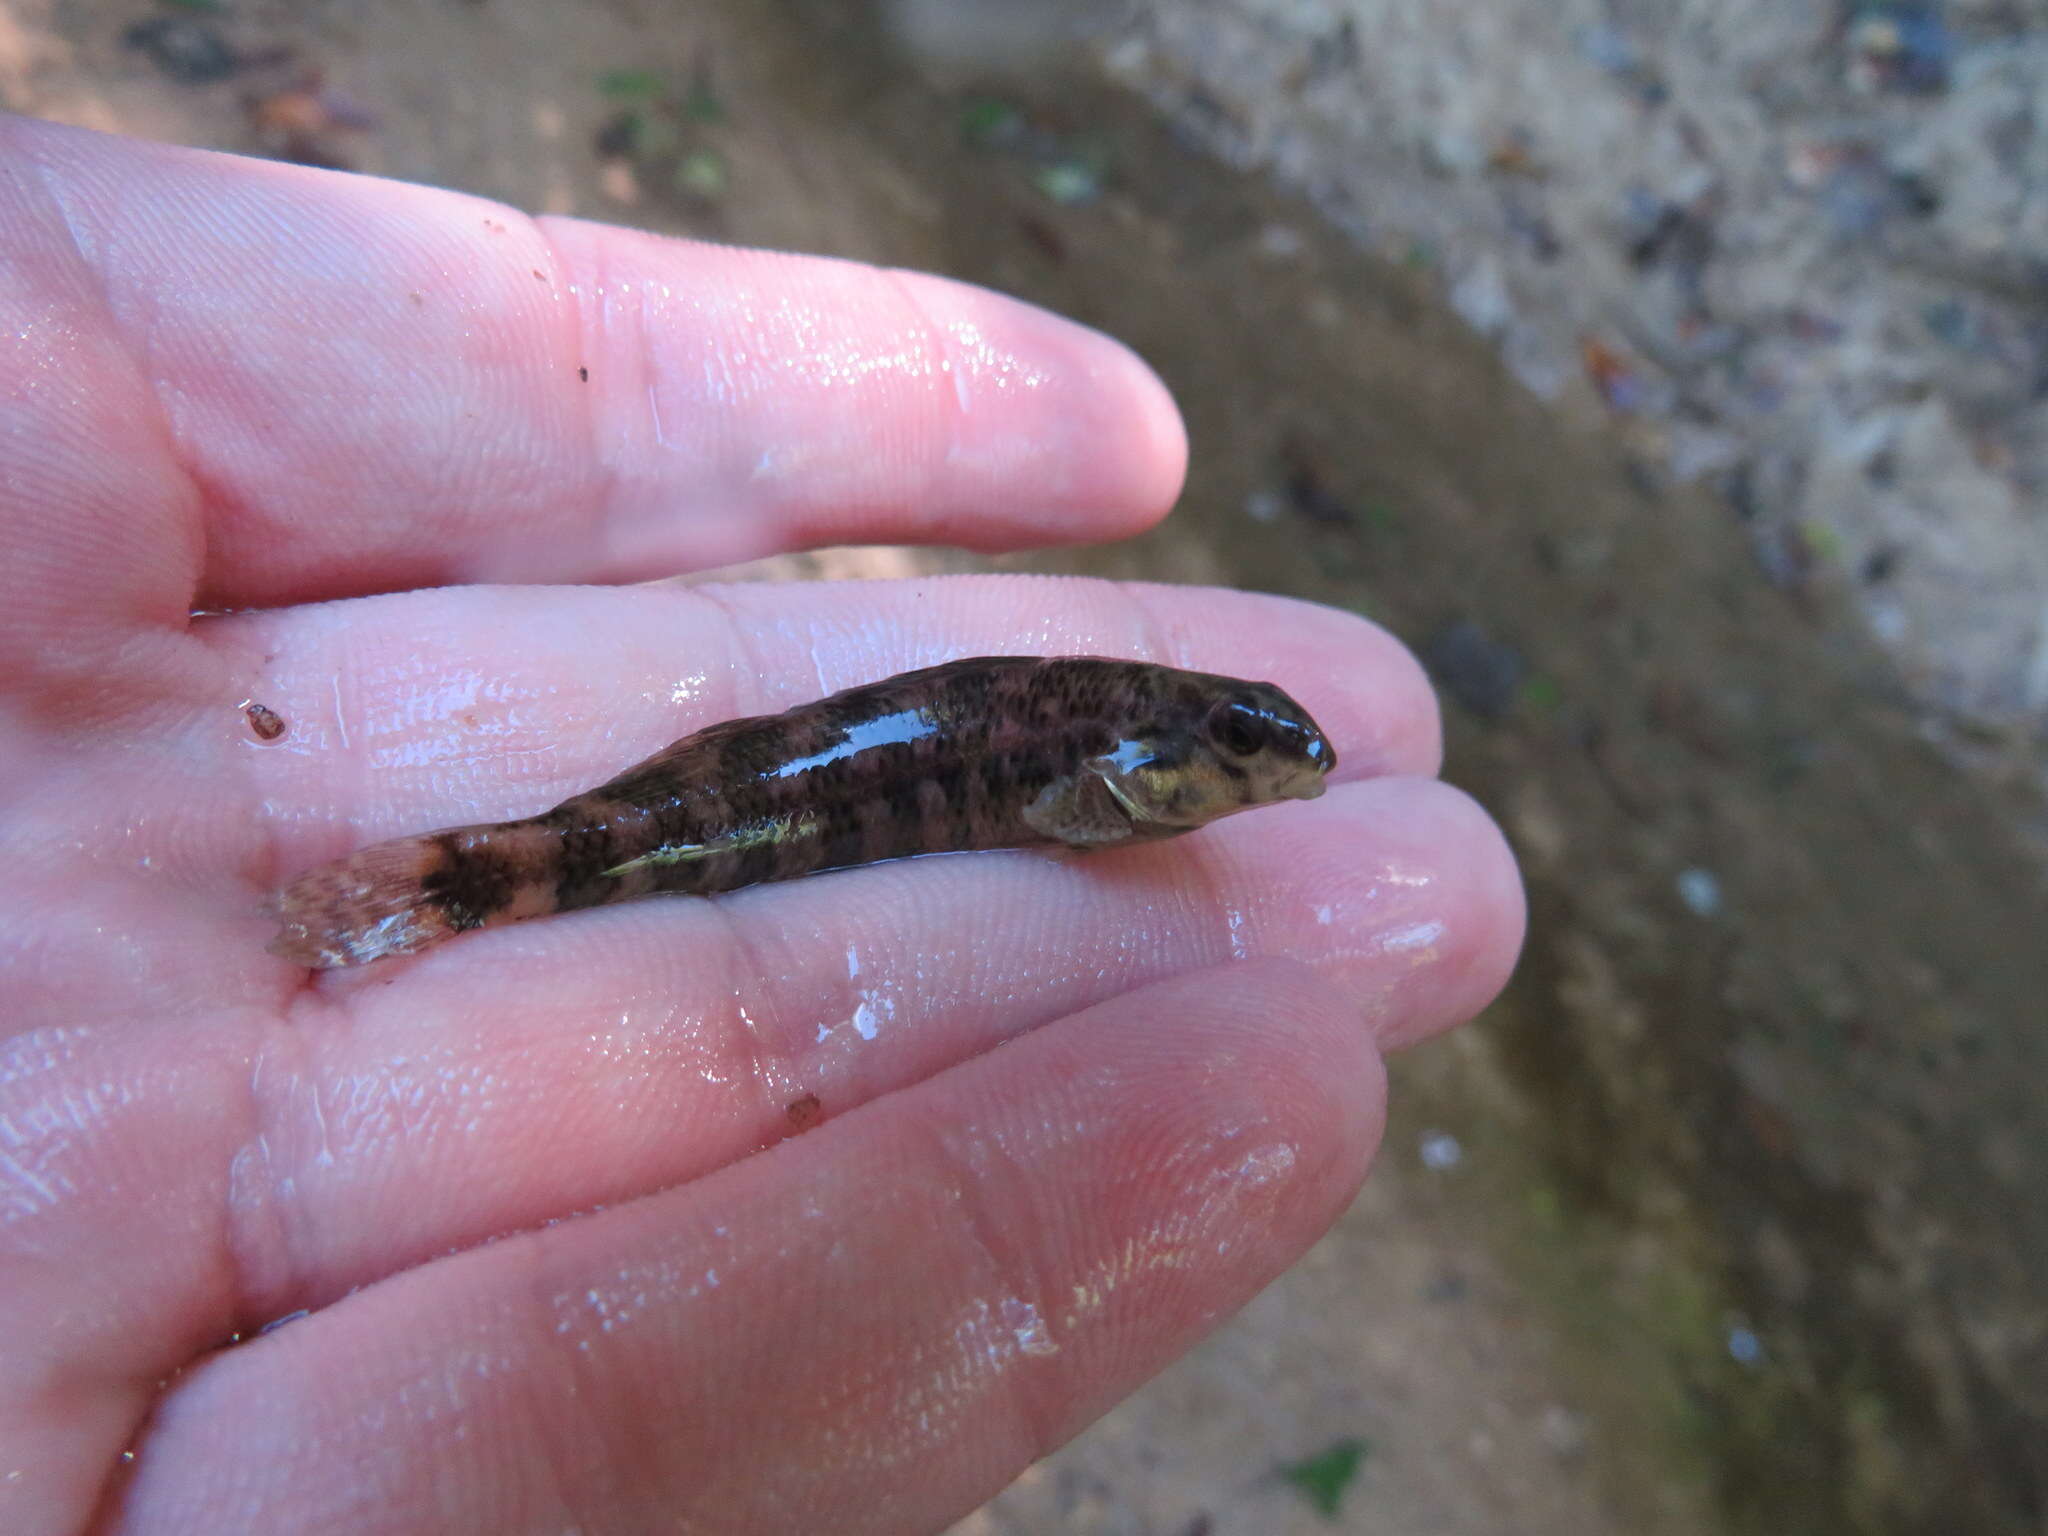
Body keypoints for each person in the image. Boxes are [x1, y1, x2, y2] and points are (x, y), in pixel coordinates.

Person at [0, 113, 1523, 1533]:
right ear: (1160, 763)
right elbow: (1067, 803)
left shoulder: (1137, 743)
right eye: (1244, 764)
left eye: (1260, 767)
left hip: (813, 772)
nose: (1263, 783)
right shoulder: (1119, 762)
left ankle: (479, 882)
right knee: (626, 845)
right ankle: (469, 886)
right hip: (776, 792)